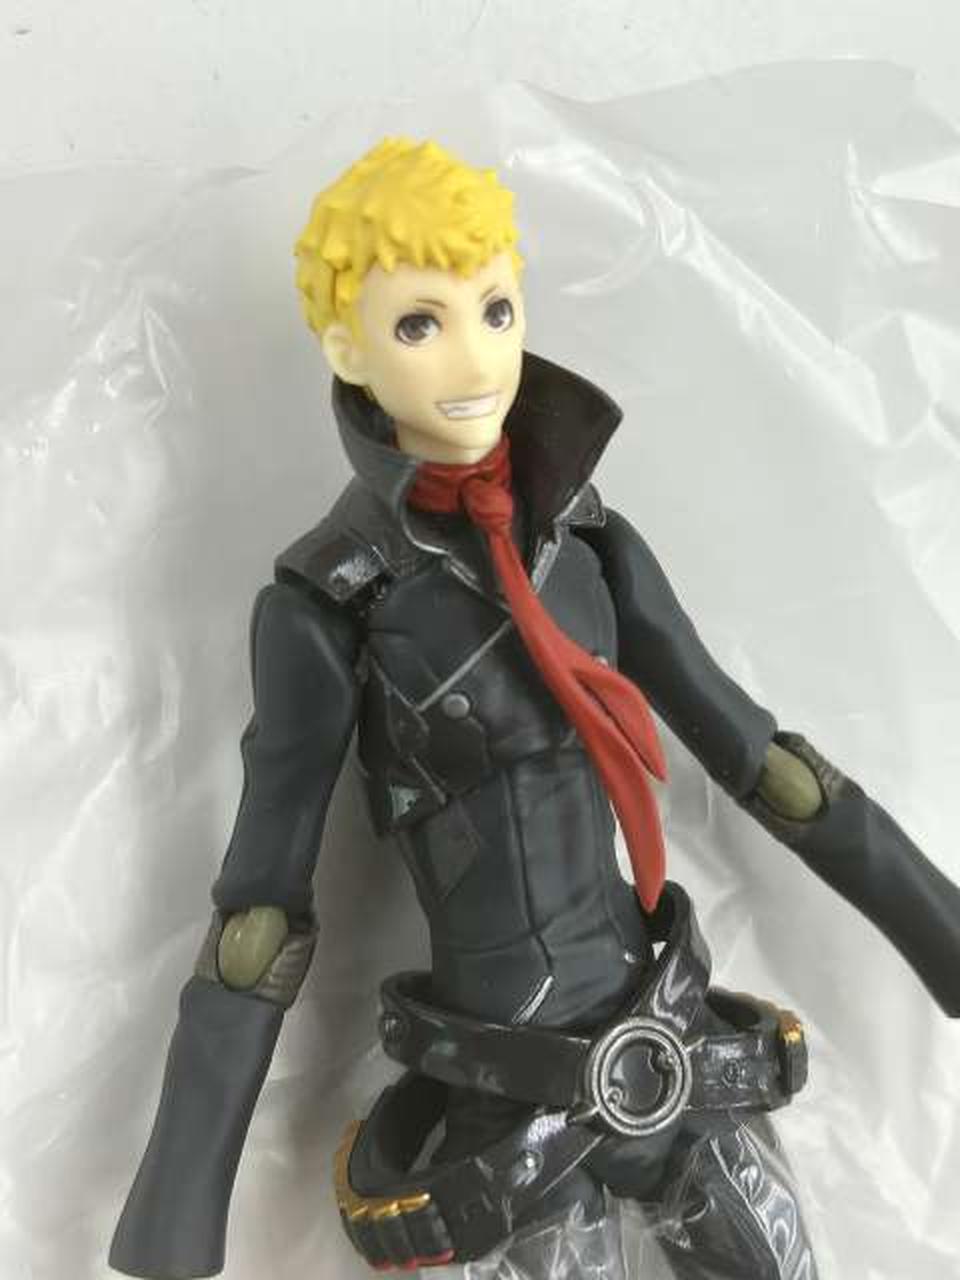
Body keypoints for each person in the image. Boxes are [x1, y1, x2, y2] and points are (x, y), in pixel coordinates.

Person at [110, 137, 960, 1280]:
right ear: (345, 345)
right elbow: (260, 910)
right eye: (421, 323)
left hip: (667, 1037)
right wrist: (179, 1211)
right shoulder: (329, 601)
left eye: (498, 310)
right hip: (507, 1109)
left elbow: (759, 755)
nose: (475, 357)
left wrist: (943, 929)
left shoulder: (588, 541)